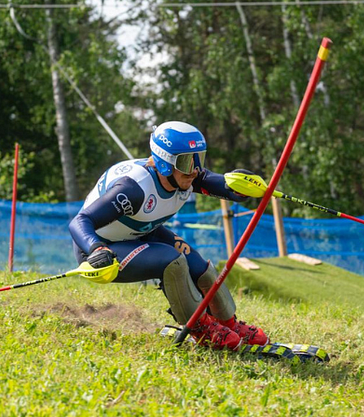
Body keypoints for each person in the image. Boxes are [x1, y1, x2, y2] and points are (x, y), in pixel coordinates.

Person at [69, 121, 269, 350]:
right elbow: (80, 221)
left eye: (198, 158)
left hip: (142, 232)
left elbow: (225, 187)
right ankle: (200, 328)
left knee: (200, 267)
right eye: (186, 161)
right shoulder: (133, 190)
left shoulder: (187, 176)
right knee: (171, 260)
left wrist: (243, 187)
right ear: (165, 163)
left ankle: (229, 323)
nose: (195, 169)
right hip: (101, 251)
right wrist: (96, 248)